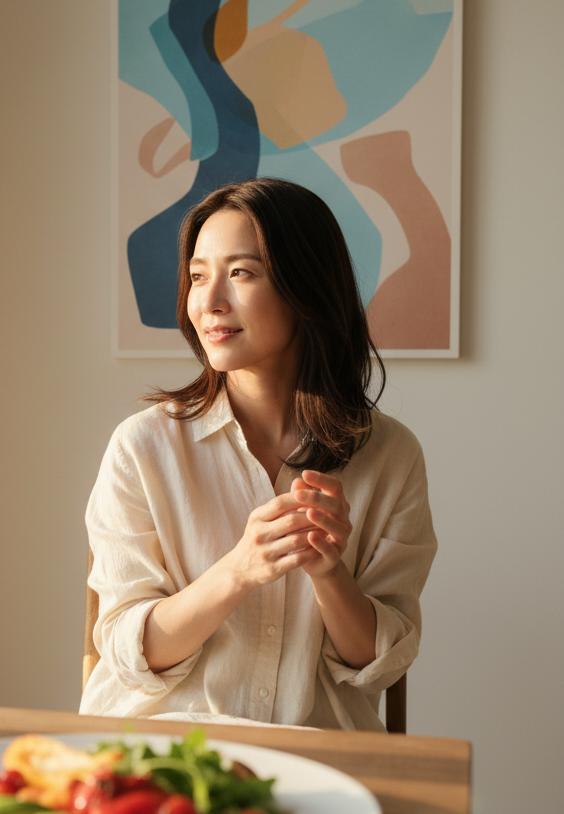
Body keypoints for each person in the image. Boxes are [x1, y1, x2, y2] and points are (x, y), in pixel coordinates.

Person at [80, 178, 436, 731]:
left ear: (306, 287)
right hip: (165, 746)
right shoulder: (143, 446)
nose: (209, 303)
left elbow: (379, 665)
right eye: (199, 276)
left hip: (313, 754)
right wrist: (239, 570)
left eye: (241, 273)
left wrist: (329, 573)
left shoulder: (391, 456)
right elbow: (130, 652)